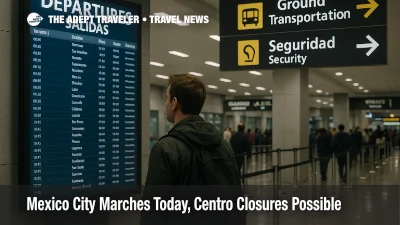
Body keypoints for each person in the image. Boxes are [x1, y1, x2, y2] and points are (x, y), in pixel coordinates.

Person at [142, 74, 245, 225]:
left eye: (166, 98)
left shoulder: (165, 148)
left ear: (174, 103)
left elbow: (153, 212)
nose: (165, 103)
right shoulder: (224, 145)